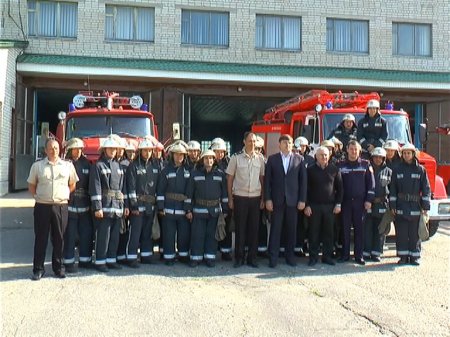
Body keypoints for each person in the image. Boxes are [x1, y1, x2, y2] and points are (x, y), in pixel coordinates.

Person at [27, 138, 78, 280]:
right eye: (50, 148)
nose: (53, 150)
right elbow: (31, 185)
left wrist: (64, 195)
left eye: (56, 148)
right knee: (41, 238)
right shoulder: (37, 166)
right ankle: (38, 269)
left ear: (59, 149)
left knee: (59, 238)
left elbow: (72, 184)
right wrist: (38, 196)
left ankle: (59, 268)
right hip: (42, 206)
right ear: (45, 150)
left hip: (61, 206)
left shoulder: (67, 166)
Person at [264, 134, 306, 267]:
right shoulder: (272, 159)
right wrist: (268, 199)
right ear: (279, 144)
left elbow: (303, 182)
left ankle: (290, 256)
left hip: (293, 201)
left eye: (289, 143)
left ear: (292, 144)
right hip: (277, 200)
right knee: (276, 229)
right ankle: (273, 257)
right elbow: (267, 182)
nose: (287, 145)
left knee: (291, 230)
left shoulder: (299, 159)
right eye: (284, 143)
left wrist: (302, 200)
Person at [226, 132, 265, 268]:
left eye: (254, 141)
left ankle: (252, 258)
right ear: (244, 142)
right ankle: (239, 258)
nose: (252, 143)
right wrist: (230, 199)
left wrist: (263, 199)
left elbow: (262, 179)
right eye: (250, 141)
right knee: (240, 229)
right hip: (240, 198)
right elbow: (229, 179)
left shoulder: (260, 159)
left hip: (255, 198)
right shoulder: (236, 158)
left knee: (254, 230)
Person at [89, 136, 127, 272]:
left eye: (114, 149)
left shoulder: (119, 166)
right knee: (103, 236)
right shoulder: (98, 166)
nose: (112, 151)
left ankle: (111, 260)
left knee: (115, 236)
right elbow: (95, 188)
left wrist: (125, 206)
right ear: (104, 150)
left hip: (117, 207)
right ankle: (100, 261)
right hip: (104, 207)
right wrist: (97, 207)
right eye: (110, 148)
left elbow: (123, 189)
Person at [389, 143, 431, 265]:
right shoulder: (397, 169)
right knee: (401, 233)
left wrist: (425, 206)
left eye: (409, 153)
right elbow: (393, 189)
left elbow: (426, 188)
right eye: (405, 153)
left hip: (415, 206)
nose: (407, 155)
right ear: (402, 154)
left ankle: (414, 256)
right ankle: (403, 257)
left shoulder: (420, 170)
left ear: (413, 154)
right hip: (401, 206)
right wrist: (393, 205)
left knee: (414, 233)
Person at [186, 150, 228, 267]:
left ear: (214, 160)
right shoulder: (195, 174)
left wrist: (225, 210)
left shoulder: (220, 174)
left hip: (214, 212)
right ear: (202, 160)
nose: (208, 161)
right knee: (197, 235)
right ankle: (196, 258)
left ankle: (210, 258)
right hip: (198, 211)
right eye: (206, 158)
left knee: (211, 236)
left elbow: (224, 194)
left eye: (211, 158)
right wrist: (188, 210)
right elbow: (189, 194)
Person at [304, 146, 343, 266]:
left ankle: (327, 257)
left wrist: (338, 204)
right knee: (313, 233)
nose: (324, 157)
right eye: (321, 155)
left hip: (330, 207)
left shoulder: (334, 169)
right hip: (314, 206)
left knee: (329, 233)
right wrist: (307, 205)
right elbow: (305, 189)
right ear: (316, 156)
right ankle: (313, 257)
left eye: (326, 155)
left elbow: (340, 189)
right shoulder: (309, 170)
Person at [338, 140, 375, 265]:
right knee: (345, 229)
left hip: (360, 203)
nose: (353, 151)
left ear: (359, 151)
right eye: (351, 149)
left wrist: (369, 200)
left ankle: (359, 256)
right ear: (347, 150)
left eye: (356, 149)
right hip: (345, 202)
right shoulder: (340, 165)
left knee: (360, 230)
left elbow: (371, 184)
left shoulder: (365, 164)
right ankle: (345, 255)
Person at [125, 139, 159, 267]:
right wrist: (134, 205)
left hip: (150, 206)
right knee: (135, 232)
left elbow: (158, 187)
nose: (148, 153)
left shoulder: (155, 166)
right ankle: (132, 258)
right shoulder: (133, 166)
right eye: (145, 150)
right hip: (138, 206)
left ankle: (146, 256)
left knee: (147, 232)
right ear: (140, 151)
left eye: (150, 150)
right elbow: (131, 187)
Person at [156, 142, 191, 265]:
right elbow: (160, 190)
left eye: (181, 155)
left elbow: (189, 192)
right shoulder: (165, 171)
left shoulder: (188, 171)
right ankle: (169, 257)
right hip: (168, 210)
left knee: (183, 235)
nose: (179, 157)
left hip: (183, 210)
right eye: (177, 154)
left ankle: (183, 255)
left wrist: (188, 210)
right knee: (169, 235)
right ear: (172, 155)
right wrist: (161, 207)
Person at [63, 138, 93, 273]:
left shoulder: (87, 164)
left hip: (85, 206)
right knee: (69, 235)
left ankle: (85, 261)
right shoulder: (64, 164)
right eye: (76, 149)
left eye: (80, 149)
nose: (78, 151)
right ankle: (68, 263)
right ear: (70, 150)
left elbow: (92, 185)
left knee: (86, 234)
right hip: (69, 205)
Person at [363, 147, 392, 262]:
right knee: (367, 229)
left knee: (380, 230)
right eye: (376, 157)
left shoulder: (389, 172)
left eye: (380, 157)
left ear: (384, 158)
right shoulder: (366, 169)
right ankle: (366, 252)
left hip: (382, 205)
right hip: (368, 204)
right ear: (372, 157)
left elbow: (392, 189)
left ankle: (376, 253)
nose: (378, 159)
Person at [211, 138, 233, 261]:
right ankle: (212, 249)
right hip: (212, 200)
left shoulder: (229, 163)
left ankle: (226, 251)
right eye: (217, 151)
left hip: (225, 199)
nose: (220, 154)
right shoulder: (207, 162)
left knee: (226, 226)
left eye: (222, 152)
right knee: (212, 227)